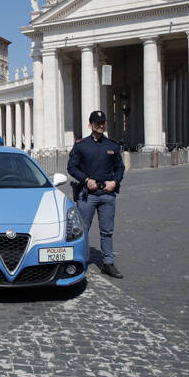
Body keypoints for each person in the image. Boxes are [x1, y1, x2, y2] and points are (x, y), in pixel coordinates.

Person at [67, 110, 125, 278]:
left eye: (103, 123)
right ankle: (81, 261)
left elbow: (119, 167)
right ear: (90, 125)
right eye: (97, 123)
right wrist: (85, 180)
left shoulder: (112, 145)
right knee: (83, 229)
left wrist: (114, 182)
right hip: (88, 194)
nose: (101, 125)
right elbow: (71, 167)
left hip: (107, 194)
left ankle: (108, 262)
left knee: (107, 230)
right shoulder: (81, 145)